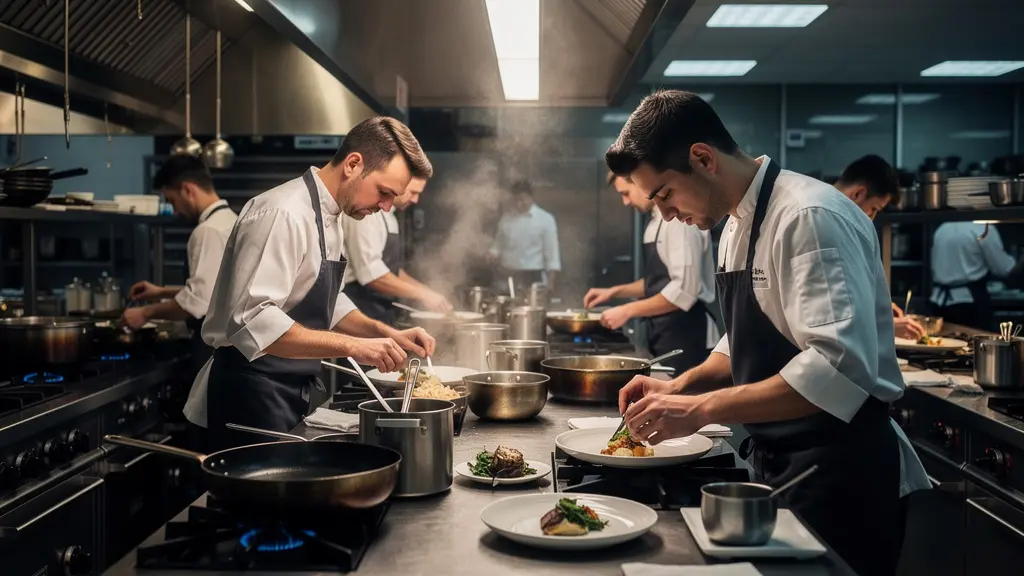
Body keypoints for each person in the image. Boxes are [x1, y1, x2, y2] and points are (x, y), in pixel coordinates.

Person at [607, 90, 928, 576]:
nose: (666, 214)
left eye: (666, 194)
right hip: (784, 464)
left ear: (703, 158)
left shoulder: (808, 216)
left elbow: (836, 371)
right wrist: (681, 385)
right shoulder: (735, 222)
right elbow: (745, 336)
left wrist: (700, 409)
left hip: (840, 477)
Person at [182, 116, 437, 450]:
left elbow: (332, 300)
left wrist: (385, 334)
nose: (387, 206)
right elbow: (253, 320)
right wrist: (353, 347)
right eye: (384, 192)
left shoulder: (332, 215)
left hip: (287, 388)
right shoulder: (282, 213)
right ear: (353, 164)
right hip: (250, 395)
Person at [583, 172, 721, 374]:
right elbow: (659, 282)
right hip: (665, 333)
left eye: (626, 193)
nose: (625, 202)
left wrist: (627, 311)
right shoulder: (655, 222)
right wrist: (613, 292)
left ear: (641, 182)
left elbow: (683, 291)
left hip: (688, 337)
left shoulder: (679, 221)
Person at [122, 155, 237, 376]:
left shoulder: (207, 231)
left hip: (210, 351)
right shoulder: (230, 220)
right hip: (227, 351)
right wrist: (161, 291)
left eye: (173, 201)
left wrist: (144, 313)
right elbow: (216, 289)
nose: (174, 211)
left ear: (188, 190)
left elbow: (197, 304)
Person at [834, 154, 926, 341]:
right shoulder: (820, 223)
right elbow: (828, 311)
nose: (872, 218)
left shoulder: (841, 223)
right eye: (874, 209)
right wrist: (882, 324)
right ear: (858, 194)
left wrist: (874, 306)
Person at [342, 176, 453, 324]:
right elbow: (371, 275)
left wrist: (429, 292)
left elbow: (391, 271)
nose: (415, 200)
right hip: (358, 307)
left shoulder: (390, 218)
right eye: (413, 192)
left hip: (380, 309)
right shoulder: (366, 213)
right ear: (398, 184)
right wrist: (422, 294)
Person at [929, 221, 1021, 330]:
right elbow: (1005, 269)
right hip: (968, 305)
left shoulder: (942, 228)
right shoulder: (984, 230)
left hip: (937, 302)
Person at [487, 180, 561, 295]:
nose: (519, 203)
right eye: (516, 200)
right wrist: (491, 254)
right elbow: (497, 246)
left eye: (523, 199)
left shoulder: (545, 219)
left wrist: (550, 282)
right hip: (507, 276)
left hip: (533, 277)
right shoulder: (506, 219)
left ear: (531, 197)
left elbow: (552, 255)